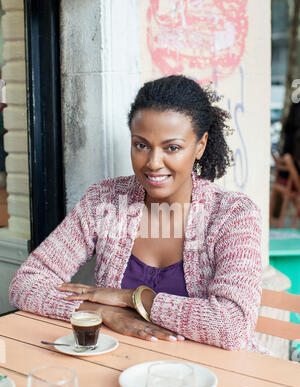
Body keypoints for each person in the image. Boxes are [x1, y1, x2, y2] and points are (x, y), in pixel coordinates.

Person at [9, 75, 265, 352]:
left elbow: (233, 326)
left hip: (217, 379)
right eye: (141, 145)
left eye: (173, 148)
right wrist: (101, 311)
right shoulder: (104, 200)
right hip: (123, 368)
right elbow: (26, 283)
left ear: (200, 146)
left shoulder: (232, 214)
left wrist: (132, 298)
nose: (154, 163)